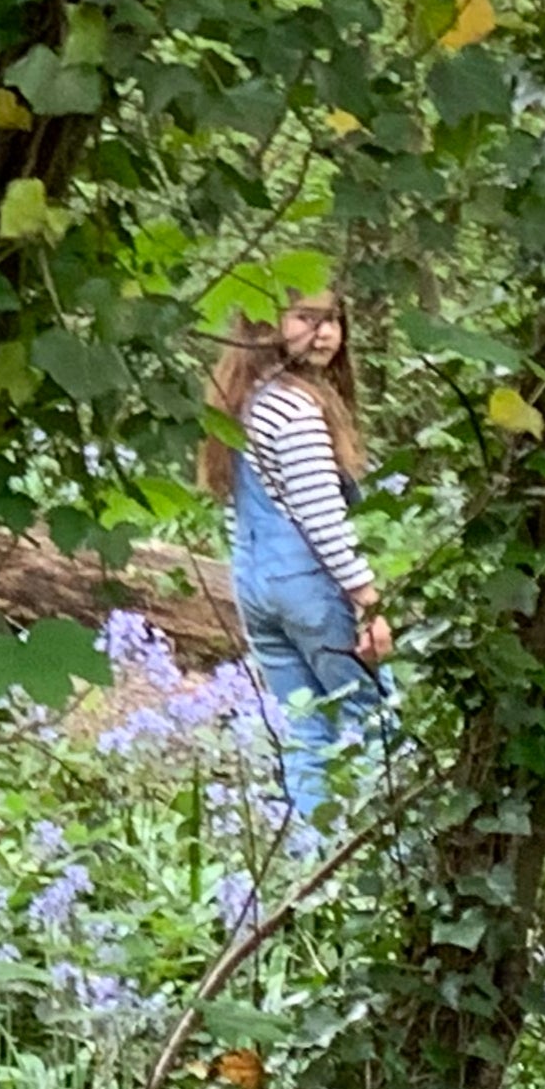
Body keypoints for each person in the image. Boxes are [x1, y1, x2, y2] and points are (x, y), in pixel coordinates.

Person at [199, 294, 391, 830]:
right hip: (307, 583)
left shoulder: (241, 403)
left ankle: (310, 857)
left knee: (306, 723)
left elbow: (239, 510)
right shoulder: (297, 409)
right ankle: (375, 847)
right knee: (371, 717)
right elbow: (320, 519)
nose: (325, 332)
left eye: (333, 319)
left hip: (254, 583)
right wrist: (369, 603)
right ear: (268, 325)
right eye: (307, 318)